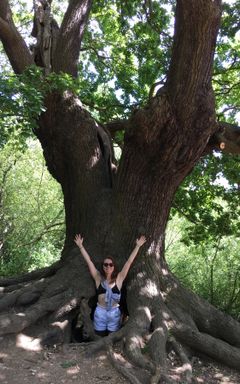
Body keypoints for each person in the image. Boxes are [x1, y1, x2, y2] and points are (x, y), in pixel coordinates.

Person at [74, 234, 146, 336]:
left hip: (114, 313)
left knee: (112, 337)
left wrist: (137, 246)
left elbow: (129, 262)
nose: (108, 266)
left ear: (114, 266)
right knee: (99, 335)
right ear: (103, 266)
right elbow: (89, 261)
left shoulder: (119, 278)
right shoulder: (98, 278)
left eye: (110, 264)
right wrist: (81, 246)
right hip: (100, 313)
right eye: (106, 264)